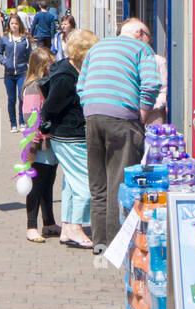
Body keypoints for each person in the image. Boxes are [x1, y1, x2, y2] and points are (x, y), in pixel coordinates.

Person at [79, 19, 162, 252]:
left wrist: (89, 107)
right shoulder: (141, 49)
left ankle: (100, 240)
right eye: (148, 37)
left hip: (93, 117)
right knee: (119, 183)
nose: (149, 43)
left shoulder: (97, 47)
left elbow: (81, 85)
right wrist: (142, 115)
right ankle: (117, 245)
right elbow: (152, 84)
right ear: (139, 32)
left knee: (98, 183)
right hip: (123, 119)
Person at [39, 29, 99, 250]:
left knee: (72, 183)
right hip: (69, 135)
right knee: (85, 183)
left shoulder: (71, 70)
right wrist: (47, 125)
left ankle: (67, 226)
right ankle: (75, 225)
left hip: (69, 134)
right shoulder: (66, 75)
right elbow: (51, 106)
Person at [20, 47, 59, 243]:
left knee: (48, 182)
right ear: (39, 66)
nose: (51, 68)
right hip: (38, 143)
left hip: (49, 141)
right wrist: (34, 142)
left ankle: (49, 222)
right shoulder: (33, 87)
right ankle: (31, 225)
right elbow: (30, 117)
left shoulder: (46, 84)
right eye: (48, 65)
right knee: (36, 186)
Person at [120, 19, 168, 125]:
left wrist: (145, 110)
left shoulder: (158, 60)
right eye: (148, 36)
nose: (149, 40)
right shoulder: (123, 59)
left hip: (153, 116)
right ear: (140, 34)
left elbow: (163, 90)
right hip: (128, 115)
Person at [0, 15, 32, 131]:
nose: (14, 26)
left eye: (16, 23)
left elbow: (30, 55)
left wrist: (30, 67)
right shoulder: (5, 39)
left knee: (21, 97)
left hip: (22, 72)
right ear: (9, 25)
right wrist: (4, 62)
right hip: (9, 74)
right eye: (12, 23)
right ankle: (13, 123)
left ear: (19, 25)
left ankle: (22, 121)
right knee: (11, 99)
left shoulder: (25, 39)